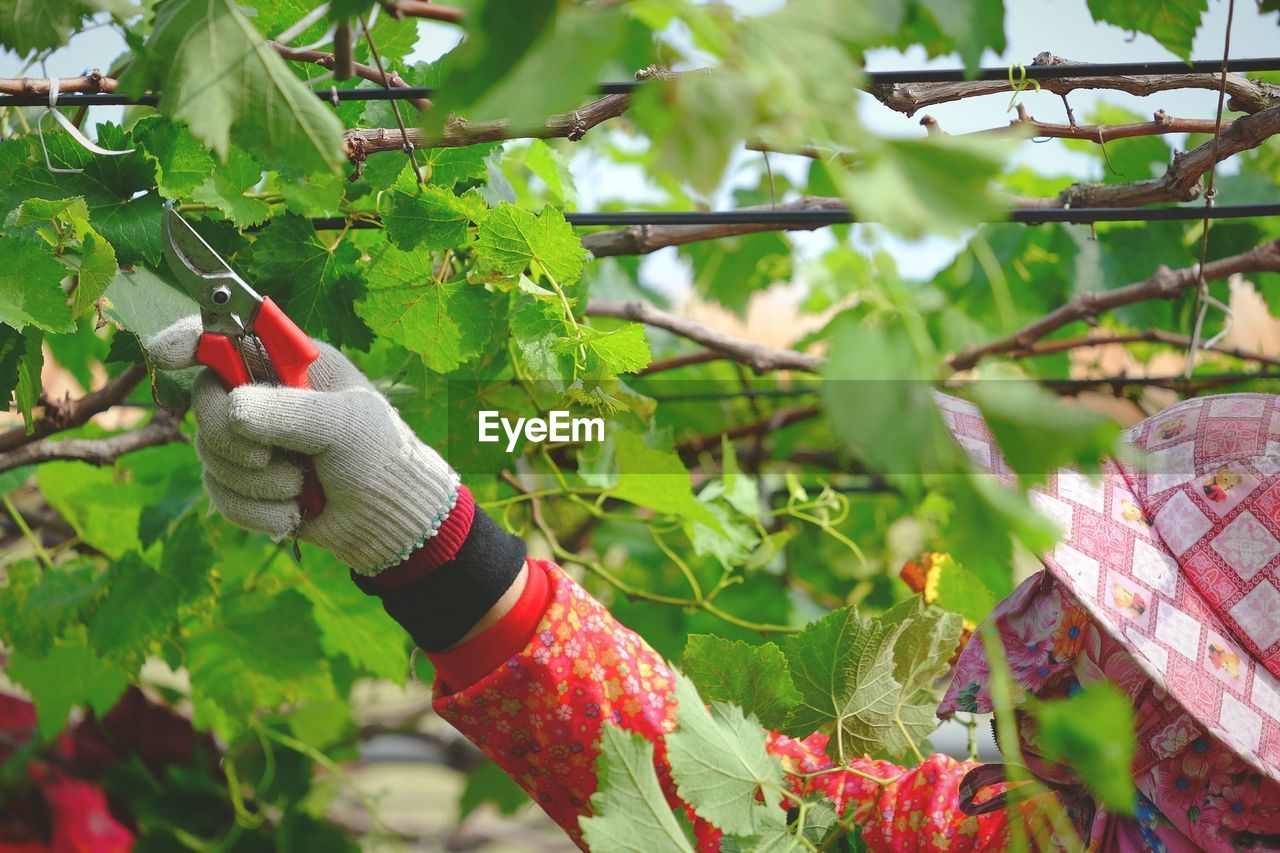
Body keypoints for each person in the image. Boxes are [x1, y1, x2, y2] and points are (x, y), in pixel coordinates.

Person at [146, 320, 1280, 852]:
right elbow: (739, 814)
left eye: (1113, 626)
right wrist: (417, 532)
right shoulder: (1046, 835)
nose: (1057, 633)